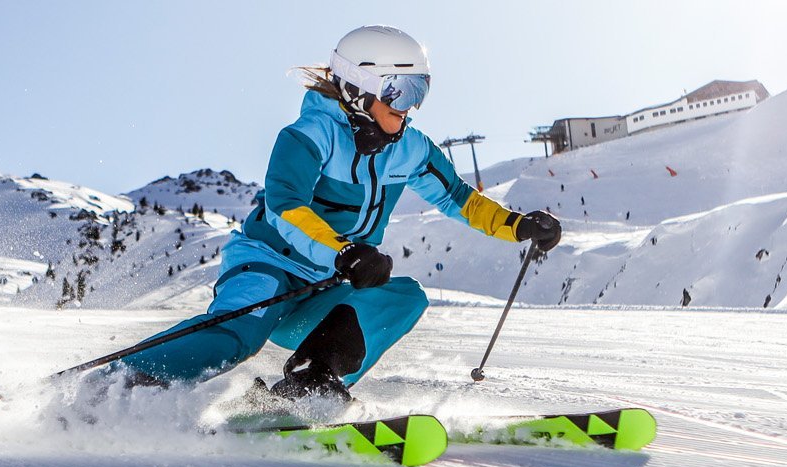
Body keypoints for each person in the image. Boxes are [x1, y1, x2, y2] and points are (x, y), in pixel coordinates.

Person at [112, 25, 562, 402]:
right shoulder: (309, 134)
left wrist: (517, 225)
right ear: (356, 89)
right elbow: (285, 205)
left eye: (418, 91)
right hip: (268, 264)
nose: (407, 108)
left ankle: (310, 381)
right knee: (238, 334)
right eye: (398, 91)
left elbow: (458, 198)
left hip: (324, 285)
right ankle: (116, 386)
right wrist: (343, 252)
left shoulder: (409, 149)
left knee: (404, 296)